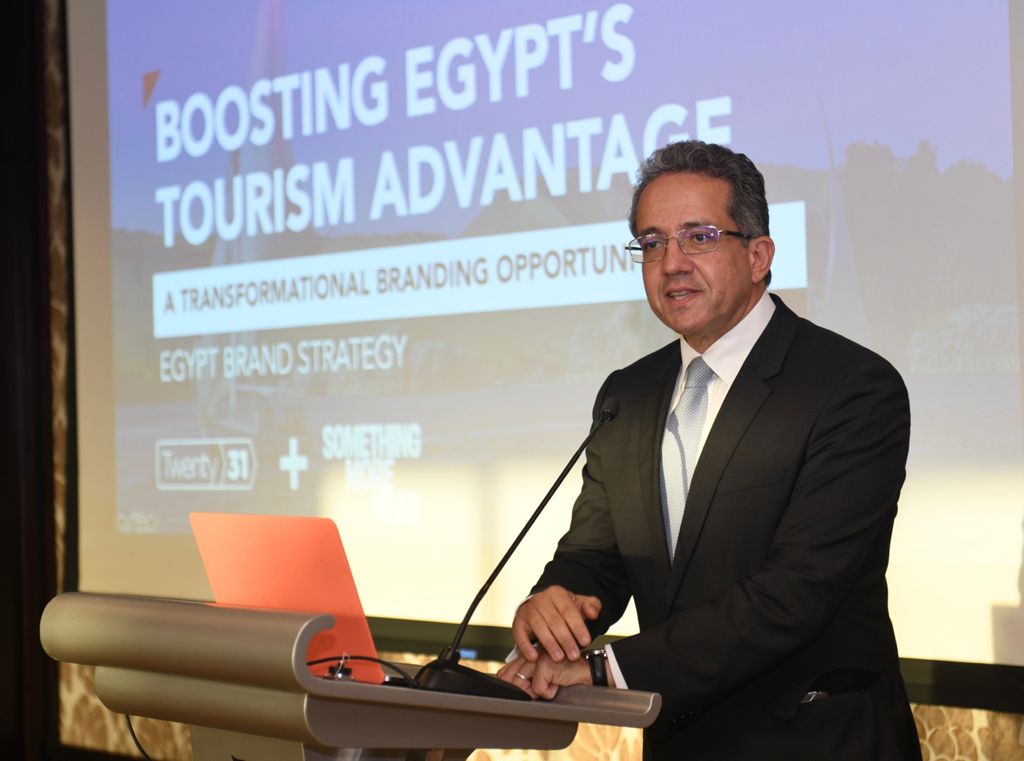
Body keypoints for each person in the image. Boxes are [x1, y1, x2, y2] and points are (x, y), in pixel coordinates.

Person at [496, 140, 921, 760]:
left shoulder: (850, 387)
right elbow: (598, 556)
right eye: (652, 242)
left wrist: (609, 668)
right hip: (680, 740)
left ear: (758, 255)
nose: (671, 263)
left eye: (698, 237)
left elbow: (795, 593)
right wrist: (555, 606)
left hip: (812, 741)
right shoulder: (628, 394)